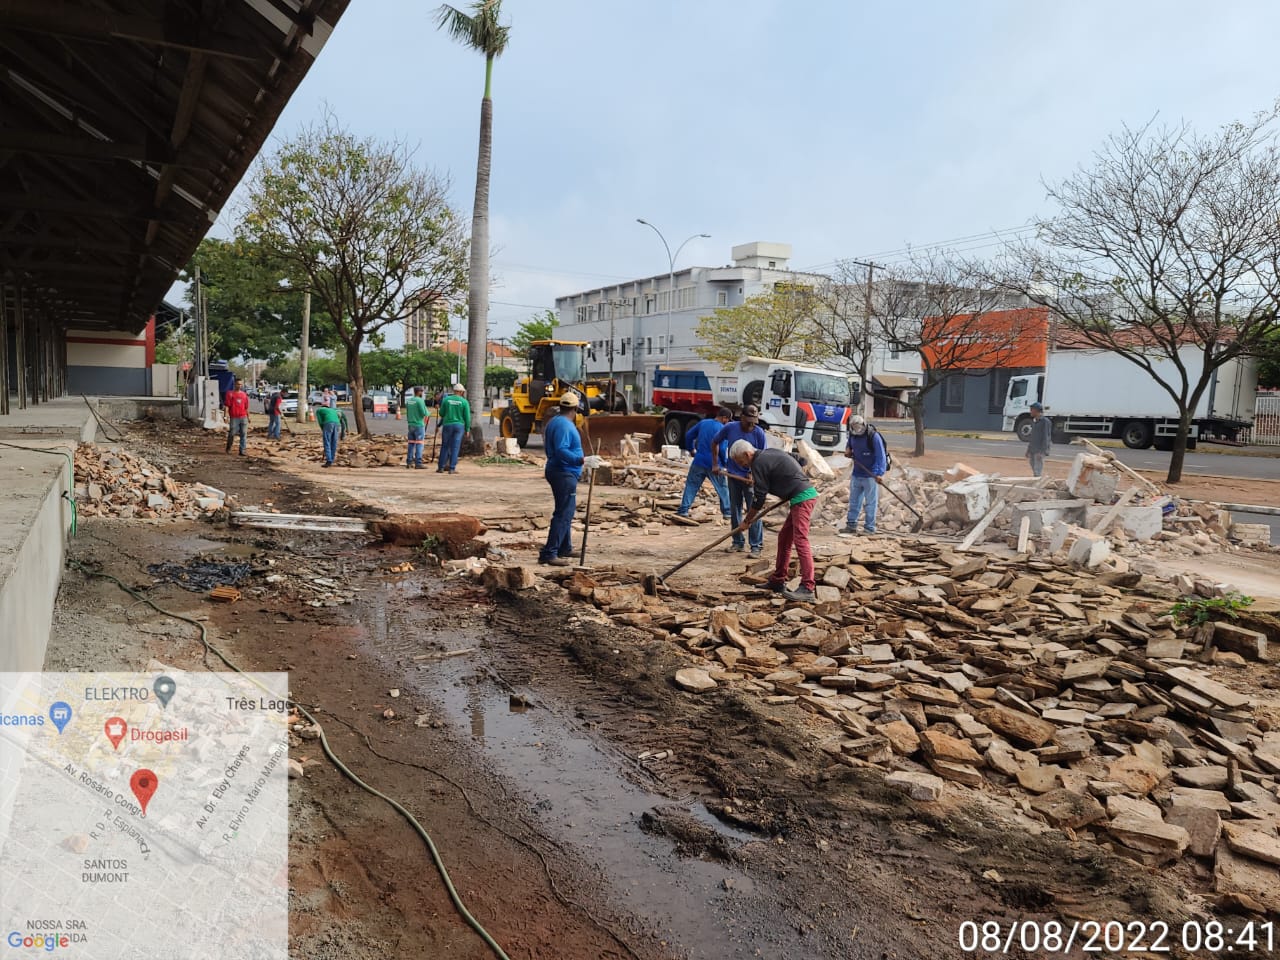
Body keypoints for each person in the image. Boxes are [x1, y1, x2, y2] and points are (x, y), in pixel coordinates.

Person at [731, 440, 819, 602]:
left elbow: (759, 498)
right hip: (799, 497)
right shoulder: (769, 452)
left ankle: (807, 587)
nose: (740, 464)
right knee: (784, 538)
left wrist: (747, 521)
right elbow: (799, 459)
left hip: (802, 498)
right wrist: (793, 476)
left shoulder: (758, 463)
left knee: (800, 540)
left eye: (739, 460)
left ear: (746, 454)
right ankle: (778, 580)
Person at [539, 392, 604, 566]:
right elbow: (561, 450)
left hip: (562, 472)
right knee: (563, 513)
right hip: (563, 473)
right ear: (576, 409)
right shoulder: (564, 426)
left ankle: (564, 547)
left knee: (566, 511)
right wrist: (581, 460)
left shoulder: (556, 422)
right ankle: (549, 552)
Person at [711, 405, 767, 556]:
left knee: (753, 511)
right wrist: (716, 464)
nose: (751, 424)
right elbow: (715, 442)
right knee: (735, 509)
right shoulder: (730, 428)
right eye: (748, 421)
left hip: (750, 478)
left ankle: (756, 546)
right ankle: (738, 542)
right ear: (741, 417)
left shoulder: (759, 433)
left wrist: (752, 473)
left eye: (753, 421)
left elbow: (762, 457)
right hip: (733, 475)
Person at [677, 407, 733, 520]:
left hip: (699, 460)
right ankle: (727, 512)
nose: (728, 422)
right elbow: (722, 449)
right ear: (724, 418)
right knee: (722, 488)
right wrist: (726, 463)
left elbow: (689, 435)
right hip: (715, 464)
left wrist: (691, 449)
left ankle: (684, 510)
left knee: (691, 485)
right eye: (729, 420)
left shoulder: (703, 423)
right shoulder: (723, 429)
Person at [843, 415, 887, 534]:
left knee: (870, 503)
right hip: (857, 473)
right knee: (854, 501)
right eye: (854, 427)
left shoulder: (873, 436)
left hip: (870, 475)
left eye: (858, 427)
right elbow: (849, 445)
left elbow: (881, 457)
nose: (857, 429)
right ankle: (851, 525)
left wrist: (879, 473)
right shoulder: (852, 434)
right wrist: (848, 450)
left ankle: (869, 528)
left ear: (863, 425)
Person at [436, 384, 471, 474]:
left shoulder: (446, 400)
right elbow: (467, 417)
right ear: (461, 392)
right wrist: (467, 429)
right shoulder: (464, 402)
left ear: (454, 391)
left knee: (444, 446)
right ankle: (452, 468)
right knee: (455, 447)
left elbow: (442, 413)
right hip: (459, 426)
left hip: (447, 425)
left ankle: (441, 467)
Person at [404, 386, 429, 469]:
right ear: (419, 392)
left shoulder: (409, 401)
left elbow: (407, 412)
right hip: (419, 424)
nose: (422, 393)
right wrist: (427, 413)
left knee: (411, 443)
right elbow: (423, 412)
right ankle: (418, 462)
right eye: (422, 391)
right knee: (419, 444)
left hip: (410, 424)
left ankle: (409, 461)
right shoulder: (420, 401)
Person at [224, 378, 250, 455]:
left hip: (243, 417)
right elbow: (227, 406)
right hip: (234, 417)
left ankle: (242, 450)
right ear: (234, 384)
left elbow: (246, 407)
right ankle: (228, 447)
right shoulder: (230, 394)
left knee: (243, 434)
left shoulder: (244, 395)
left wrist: (248, 417)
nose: (239, 386)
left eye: (241, 384)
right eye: (238, 384)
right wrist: (225, 416)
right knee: (232, 433)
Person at [1026, 401, 1052, 477]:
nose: (1030, 411)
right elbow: (1032, 437)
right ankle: (1036, 480)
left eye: (1031, 409)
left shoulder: (1045, 422)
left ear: (1036, 410)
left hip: (1039, 450)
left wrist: (1042, 452)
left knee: (1038, 469)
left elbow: (1046, 437)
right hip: (1033, 449)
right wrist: (1028, 450)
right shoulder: (1035, 422)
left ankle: (1037, 483)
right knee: (1033, 465)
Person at [314, 402, 344, 467]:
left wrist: (323, 429)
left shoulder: (319, 410)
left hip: (328, 423)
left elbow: (320, 421)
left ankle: (329, 460)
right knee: (334, 441)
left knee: (327, 441)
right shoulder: (332, 410)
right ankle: (332, 459)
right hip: (337, 424)